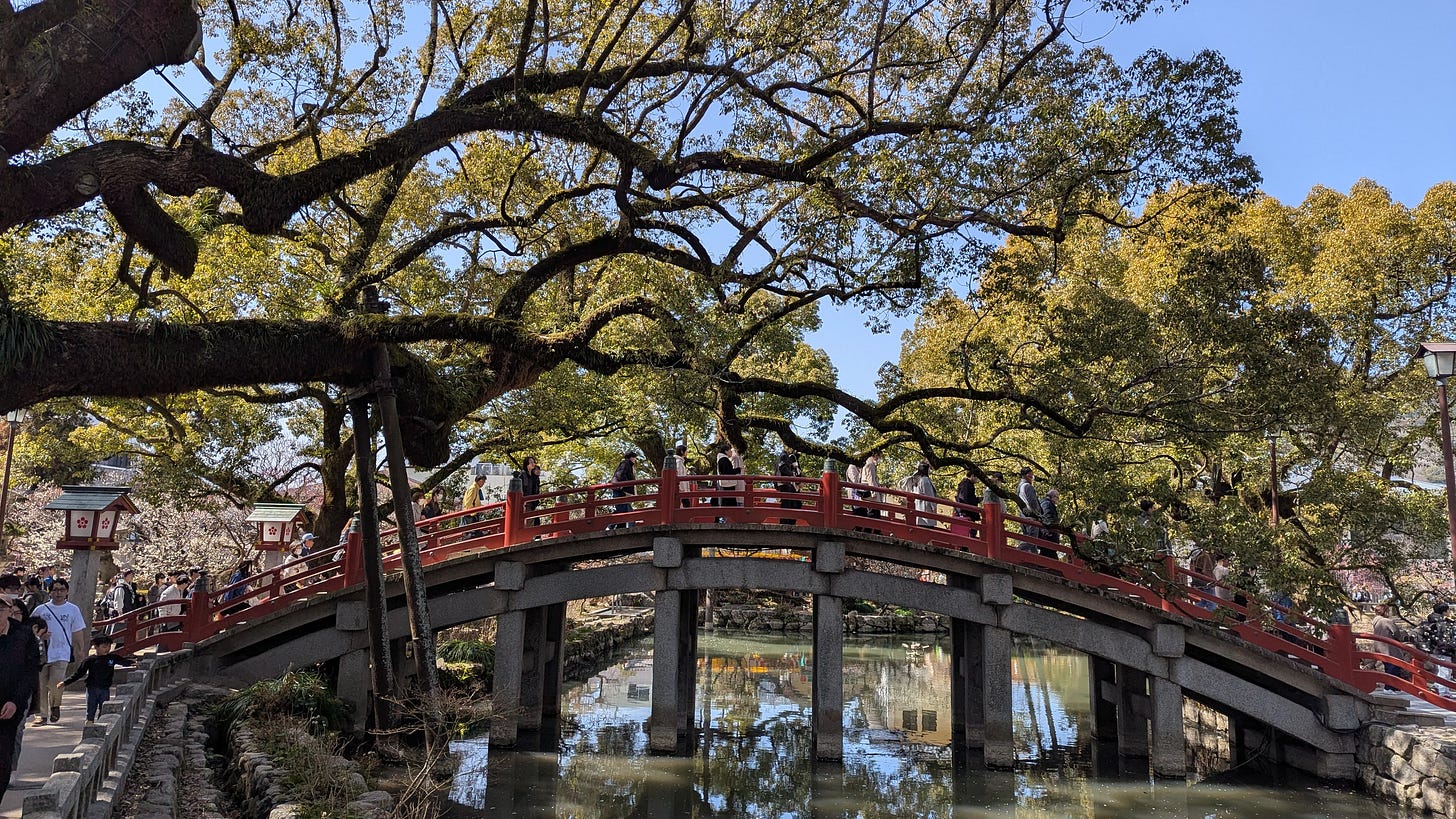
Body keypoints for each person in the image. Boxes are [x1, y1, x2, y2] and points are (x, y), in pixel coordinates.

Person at [0, 594, 39, 799]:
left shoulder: (23, 635)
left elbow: (30, 672)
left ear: (9, 611)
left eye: (1, 609)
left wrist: (16, 702)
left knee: (3, 756)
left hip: (10, 705)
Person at [33, 579, 85, 724]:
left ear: (67, 591)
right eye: (55, 590)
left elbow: (77, 631)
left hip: (61, 652)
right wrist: (41, 636)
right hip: (42, 653)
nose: (58, 593)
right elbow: (30, 629)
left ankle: (55, 705)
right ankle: (42, 714)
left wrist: (80, 649)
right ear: (50, 592)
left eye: (62, 590)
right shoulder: (41, 610)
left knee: (56, 682)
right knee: (41, 684)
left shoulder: (73, 609)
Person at [59, 634, 134, 724]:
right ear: (96, 647)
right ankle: (89, 724)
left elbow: (123, 662)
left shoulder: (112, 658)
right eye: (104, 647)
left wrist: (133, 663)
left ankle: (100, 726)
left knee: (104, 709)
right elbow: (79, 674)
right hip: (92, 688)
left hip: (105, 688)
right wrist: (65, 682)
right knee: (91, 709)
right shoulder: (89, 660)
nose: (107, 649)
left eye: (109, 647)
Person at [1371, 603, 1411, 683]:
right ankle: (1391, 687)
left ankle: (1389, 687)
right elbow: (1396, 633)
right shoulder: (1386, 621)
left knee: (1388, 667)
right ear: (1385, 611)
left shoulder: (1376, 621)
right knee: (1394, 667)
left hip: (1379, 647)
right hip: (1389, 647)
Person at [608, 451, 638, 529]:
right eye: (634, 458)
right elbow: (620, 475)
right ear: (631, 457)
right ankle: (610, 526)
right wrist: (624, 486)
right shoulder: (626, 463)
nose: (635, 460)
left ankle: (618, 528)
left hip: (620, 490)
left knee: (622, 511)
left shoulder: (627, 464)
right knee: (623, 510)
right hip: (621, 491)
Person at [1016, 467, 1042, 549]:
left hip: (1023, 516)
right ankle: (1019, 550)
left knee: (1027, 538)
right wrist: (1038, 515)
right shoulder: (1028, 486)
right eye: (1031, 475)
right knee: (1032, 541)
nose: (1032, 477)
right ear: (1027, 476)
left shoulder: (1019, 487)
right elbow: (1033, 502)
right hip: (1031, 517)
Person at [775, 450, 803, 525]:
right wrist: (793, 476)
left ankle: (790, 522)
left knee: (794, 504)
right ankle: (785, 523)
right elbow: (782, 468)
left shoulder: (791, 457)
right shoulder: (784, 456)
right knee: (787, 504)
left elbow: (797, 471)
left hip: (791, 485)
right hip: (786, 484)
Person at [1186, 544, 1216, 610]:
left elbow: (1192, 570)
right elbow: (1206, 571)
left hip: (1197, 582)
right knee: (1212, 602)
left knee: (1201, 601)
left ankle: (1197, 615)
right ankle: (1212, 617)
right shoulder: (1205, 556)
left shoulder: (1192, 559)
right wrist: (1213, 580)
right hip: (1207, 582)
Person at [1037, 488, 1062, 558]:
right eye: (1057, 497)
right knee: (1050, 554)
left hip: (1046, 534)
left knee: (1046, 554)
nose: (1057, 499)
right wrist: (1053, 528)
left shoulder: (1044, 503)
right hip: (1048, 535)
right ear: (1053, 496)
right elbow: (1048, 517)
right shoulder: (1047, 504)